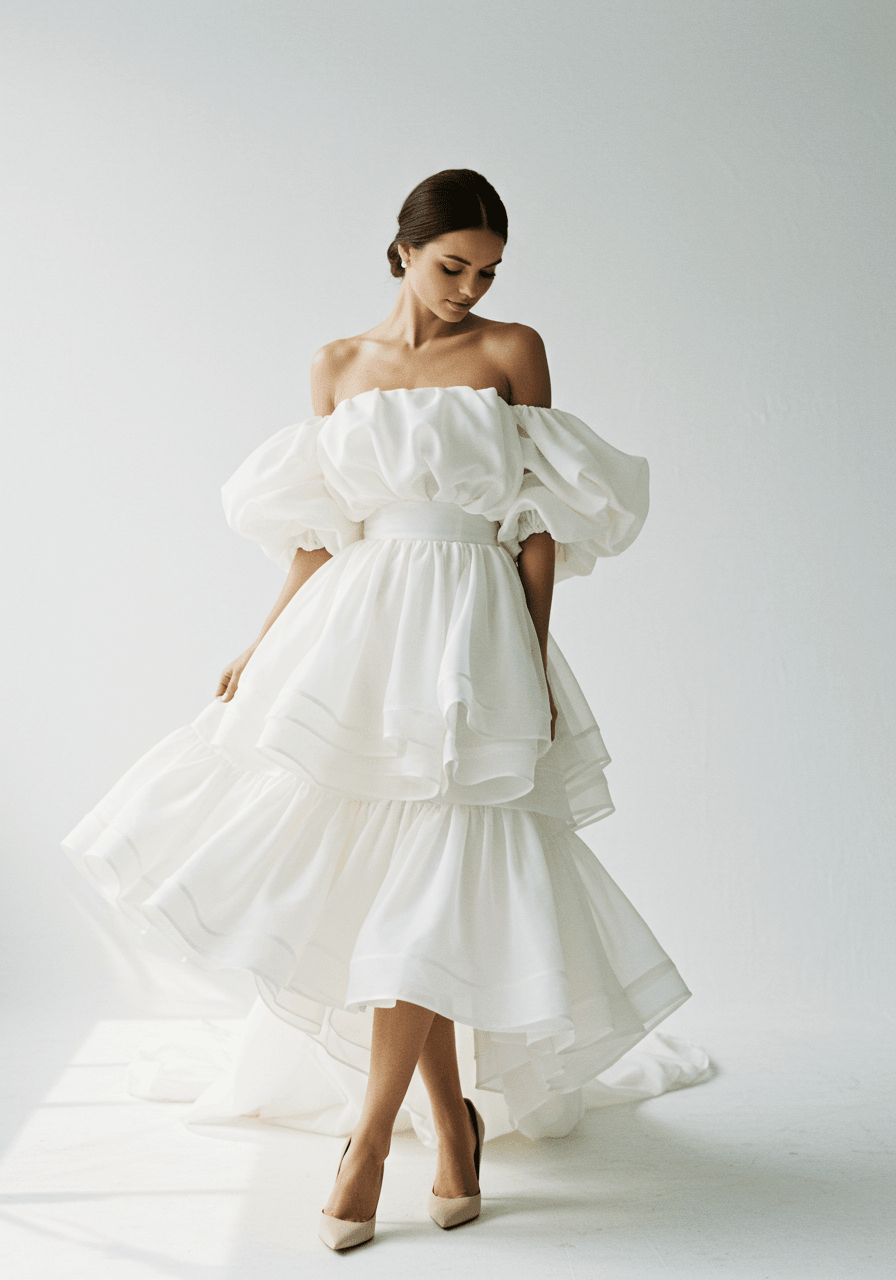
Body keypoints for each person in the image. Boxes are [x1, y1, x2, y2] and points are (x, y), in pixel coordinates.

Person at [63, 168, 691, 1251]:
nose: (469, 287)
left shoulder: (510, 352)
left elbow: (536, 517)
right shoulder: (335, 366)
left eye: (487, 270)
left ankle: (365, 1143)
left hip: (469, 631)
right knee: (397, 891)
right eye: (452, 265)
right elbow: (321, 527)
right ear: (400, 251)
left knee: (435, 876)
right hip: (357, 630)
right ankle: (448, 1120)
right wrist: (261, 641)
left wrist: (533, 662)